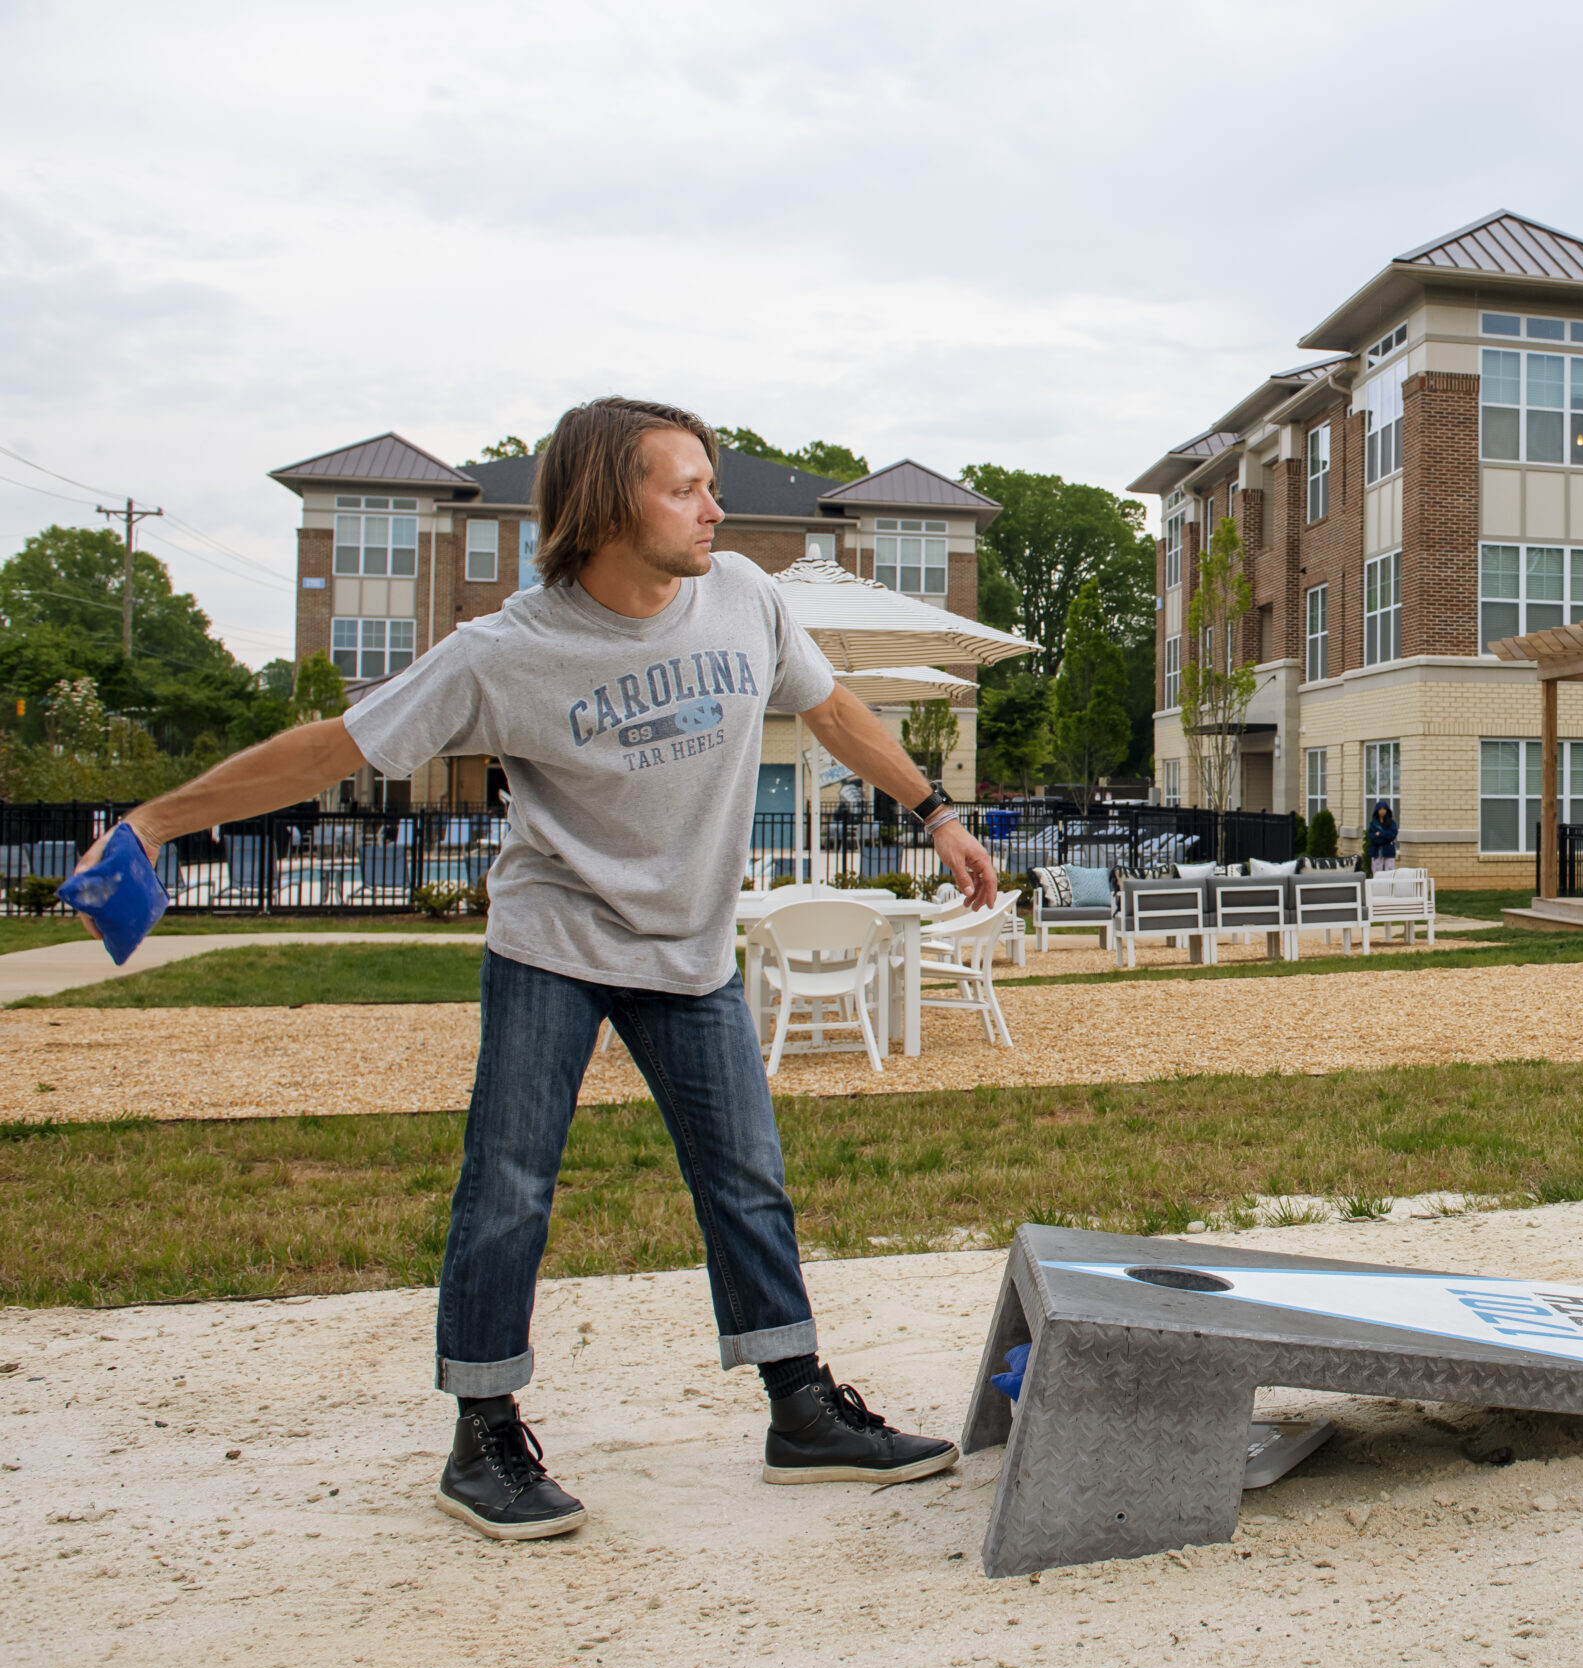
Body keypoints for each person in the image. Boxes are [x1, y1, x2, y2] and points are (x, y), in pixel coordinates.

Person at [71, 398, 1001, 1542]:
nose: (714, 509)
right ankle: (483, 1433)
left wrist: (937, 812)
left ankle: (798, 1409)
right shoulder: (506, 648)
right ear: (612, 504)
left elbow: (836, 710)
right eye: (685, 488)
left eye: (708, 484)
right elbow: (338, 746)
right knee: (509, 1185)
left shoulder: (746, 599)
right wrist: (158, 820)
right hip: (554, 943)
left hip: (689, 947)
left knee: (745, 1180)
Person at [1365, 800, 1399, 874]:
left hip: (1389, 852)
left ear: (1387, 810)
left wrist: (1380, 833)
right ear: (1377, 810)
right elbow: (1372, 837)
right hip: (1376, 852)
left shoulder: (1392, 823)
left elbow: (1392, 835)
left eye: (1384, 809)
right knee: (1377, 874)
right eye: (1380, 809)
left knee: (1390, 873)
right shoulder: (1373, 824)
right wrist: (1385, 840)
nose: (1382, 811)